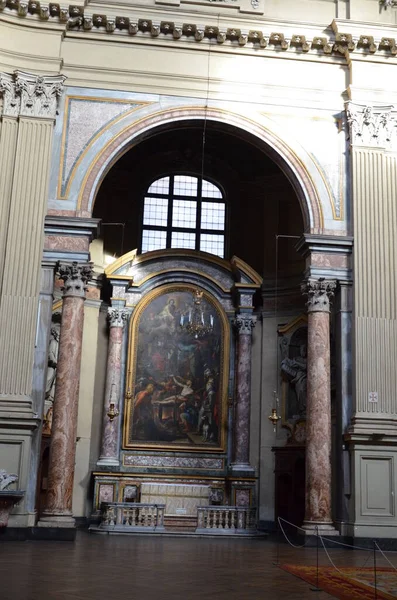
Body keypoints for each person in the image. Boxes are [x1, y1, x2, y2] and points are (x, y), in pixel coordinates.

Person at [280, 344, 307, 416]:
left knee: (302, 391)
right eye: (301, 350)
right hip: (298, 379)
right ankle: (302, 410)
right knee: (299, 392)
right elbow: (290, 363)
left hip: (305, 378)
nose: (302, 352)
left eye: (304, 350)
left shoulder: (310, 359)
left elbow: (306, 366)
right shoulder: (297, 358)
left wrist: (297, 364)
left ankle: (305, 409)